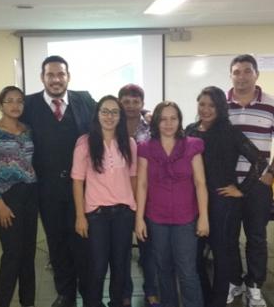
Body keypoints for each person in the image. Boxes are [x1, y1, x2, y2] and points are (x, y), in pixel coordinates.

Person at [0, 56, 96, 307]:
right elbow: (6, 119)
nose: (56, 79)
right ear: (42, 78)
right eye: (50, 75)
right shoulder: (28, 104)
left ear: (68, 76)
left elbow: (108, 119)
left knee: (82, 244)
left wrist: (142, 115)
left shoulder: (85, 100)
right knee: (56, 244)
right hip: (45, 192)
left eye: (60, 74)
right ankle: (65, 294)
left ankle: (89, 295)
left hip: (81, 189)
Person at [185, 86, 268, 307]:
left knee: (222, 256)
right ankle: (204, 297)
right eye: (202, 104)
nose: (205, 109)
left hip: (223, 203)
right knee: (195, 256)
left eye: (211, 105)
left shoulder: (229, 132)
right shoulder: (190, 131)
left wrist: (242, 189)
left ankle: (218, 301)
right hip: (195, 202)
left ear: (220, 107)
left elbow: (260, 161)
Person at [226, 54, 274, 307]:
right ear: (231, 75)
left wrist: (272, 174)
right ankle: (234, 282)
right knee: (228, 238)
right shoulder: (221, 104)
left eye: (247, 71)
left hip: (258, 186)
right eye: (236, 71)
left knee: (257, 238)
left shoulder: (272, 104)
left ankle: (254, 286)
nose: (241, 76)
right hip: (228, 185)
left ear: (256, 74)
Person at [135, 101, 209, 307]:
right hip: (156, 219)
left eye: (173, 118)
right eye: (163, 119)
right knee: (163, 269)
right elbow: (141, 184)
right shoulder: (145, 148)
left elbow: (200, 183)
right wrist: (139, 219)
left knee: (187, 271)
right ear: (156, 122)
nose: (168, 123)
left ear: (179, 121)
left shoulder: (193, 145)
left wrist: (204, 217)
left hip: (186, 219)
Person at [72, 95, 137, 307]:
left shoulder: (129, 143)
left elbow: (134, 178)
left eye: (114, 112)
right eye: (105, 111)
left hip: (124, 214)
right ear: (97, 115)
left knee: (120, 265)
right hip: (96, 215)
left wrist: (136, 211)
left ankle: (117, 302)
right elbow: (77, 182)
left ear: (120, 116)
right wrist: (80, 216)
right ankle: (93, 302)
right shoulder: (85, 143)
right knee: (97, 266)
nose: (109, 116)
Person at [0, 86, 38, 307]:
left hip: (30, 195)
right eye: (9, 101)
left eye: (19, 101)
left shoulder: (28, 129)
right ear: (0, 104)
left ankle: (27, 302)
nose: (15, 105)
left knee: (28, 255)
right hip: (6, 198)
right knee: (12, 255)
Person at [117, 84, 160, 307]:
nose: (131, 106)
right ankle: (125, 292)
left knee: (148, 248)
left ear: (142, 104)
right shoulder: (112, 126)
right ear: (119, 103)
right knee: (122, 249)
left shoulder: (152, 126)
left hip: (147, 192)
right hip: (119, 194)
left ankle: (151, 290)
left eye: (136, 102)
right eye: (126, 101)